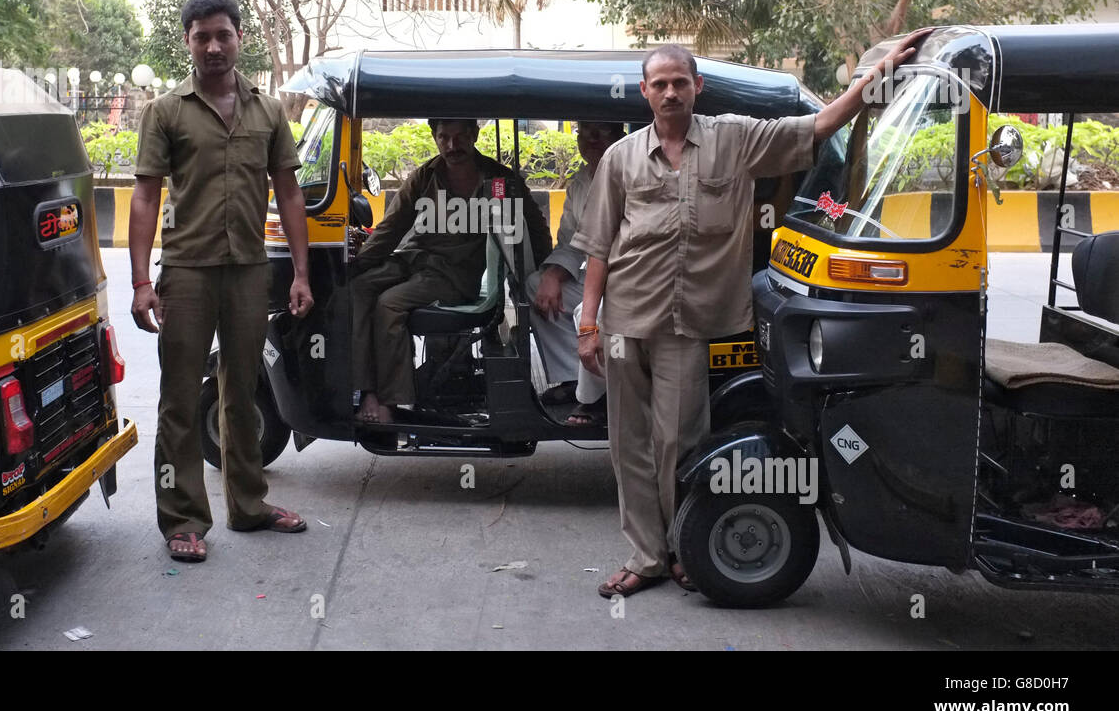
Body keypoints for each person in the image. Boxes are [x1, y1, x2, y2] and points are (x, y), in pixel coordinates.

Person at [573, 30, 933, 598]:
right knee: (629, 442)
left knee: (682, 442)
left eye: (679, 83)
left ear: (698, 86)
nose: (670, 93)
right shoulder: (620, 158)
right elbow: (597, 247)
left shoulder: (734, 140)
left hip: (687, 325)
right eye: (659, 84)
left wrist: (878, 76)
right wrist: (589, 324)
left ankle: (683, 546)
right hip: (622, 319)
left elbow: (819, 126)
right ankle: (646, 556)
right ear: (644, 92)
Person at [129, 0, 315, 563]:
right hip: (186, 272)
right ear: (187, 41)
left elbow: (288, 192)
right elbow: (144, 196)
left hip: (248, 271)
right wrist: (141, 282)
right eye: (201, 36)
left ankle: (249, 505)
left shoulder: (268, 110)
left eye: (223, 35)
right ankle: (183, 519)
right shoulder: (165, 112)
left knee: (241, 391)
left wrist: (301, 273)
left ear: (239, 37)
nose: (213, 46)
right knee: (181, 399)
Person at [353, 118, 552, 424]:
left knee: (388, 304)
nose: (451, 146)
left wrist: (547, 272)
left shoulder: (498, 180)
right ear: (435, 138)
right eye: (444, 137)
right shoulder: (425, 176)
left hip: (454, 275)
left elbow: (535, 227)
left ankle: (393, 403)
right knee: (357, 288)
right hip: (414, 260)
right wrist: (359, 264)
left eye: (460, 137)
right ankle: (365, 388)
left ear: (474, 136)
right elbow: (391, 229)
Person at [526, 120, 624, 425]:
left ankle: (598, 398)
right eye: (585, 131)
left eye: (601, 131)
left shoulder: (627, 173)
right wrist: (554, 275)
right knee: (535, 286)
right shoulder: (580, 181)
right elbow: (570, 241)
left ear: (619, 136)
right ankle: (573, 377)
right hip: (592, 272)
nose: (591, 138)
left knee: (588, 312)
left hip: (627, 276)